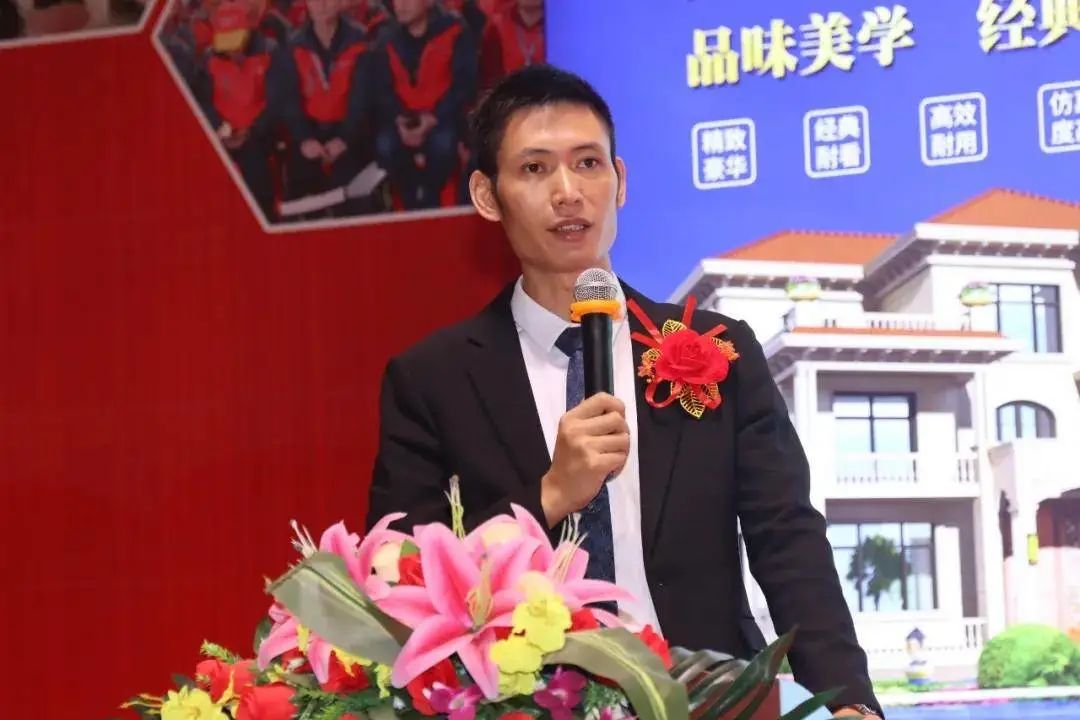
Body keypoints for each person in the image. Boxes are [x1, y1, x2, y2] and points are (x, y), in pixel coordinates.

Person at [365, 64, 884, 719]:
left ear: (621, 180)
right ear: (487, 195)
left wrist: (848, 699)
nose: (568, 192)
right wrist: (550, 495)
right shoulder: (433, 379)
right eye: (534, 169)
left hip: (711, 698)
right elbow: (403, 573)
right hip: (529, 703)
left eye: (588, 163)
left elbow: (787, 538)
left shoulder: (715, 347)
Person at [373, 0, 475, 209]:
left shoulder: (455, 30)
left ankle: (431, 202)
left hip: (442, 117)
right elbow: (381, 90)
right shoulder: (386, 37)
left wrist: (433, 118)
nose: (400, 5)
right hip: (403, 119)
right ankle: (409, 202)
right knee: (385, 145)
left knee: (443, 145)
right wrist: (399, 119)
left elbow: (464, 86)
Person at [278, 0, 376, 217]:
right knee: (300, 190)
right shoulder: (294, 44)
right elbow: (289, 100)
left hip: (349, 133)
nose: (321, 5)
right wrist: (304, 139)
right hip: (310, 131)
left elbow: (362, 100)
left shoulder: (359, 40)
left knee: (352, 193)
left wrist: (344, 139)